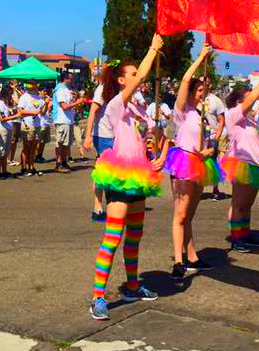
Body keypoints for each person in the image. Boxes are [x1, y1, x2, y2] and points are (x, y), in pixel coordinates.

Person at [89, 34, 165, 321]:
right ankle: (98, 297)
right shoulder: (116, 105)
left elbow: (154, 139)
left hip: (140, 176)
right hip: (120, 177)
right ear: (122, 81)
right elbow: (143, 73)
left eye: (137, 74)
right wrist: (152, 49)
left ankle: (132, 286)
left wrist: (157, 155)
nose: (138, 78)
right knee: (113, 237)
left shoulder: (139, 110)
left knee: (135, 236)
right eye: (132, 75)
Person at [163, 45, 220, 279]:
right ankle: (178, 261)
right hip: (183, 162)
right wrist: (200, 58)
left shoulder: (201, 115)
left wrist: (209, 150)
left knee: (190, 215)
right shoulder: (181, 110)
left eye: (203, 90)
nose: (201, 92)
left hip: (199, 163)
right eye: (198, 89)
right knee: (181, 214)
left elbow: (207, 144)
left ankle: (192, 256)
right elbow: (186, 79)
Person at [222, 72, 259, 252]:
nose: (251, 103)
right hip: (241, 164)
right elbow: (251, 100)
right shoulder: (233, 115)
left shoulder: (250, 121)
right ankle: (237, 238)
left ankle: (245, 233)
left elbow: (256, 142)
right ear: (238, 102)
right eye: (246, 100)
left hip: (255, 165)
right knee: (239, 203)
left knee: (247, 204)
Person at [83, 66, 123, 222]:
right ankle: (98, 207)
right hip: (103, 136)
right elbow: (93, 112)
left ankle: (114, 205)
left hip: (117, 136)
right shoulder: (102, 89)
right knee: (103, 172)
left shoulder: (121, 90)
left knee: (116, 173)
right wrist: (88, 137)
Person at [53, 73, 87, 173]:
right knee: (61, 143)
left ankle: (64, 162)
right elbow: (64, 106)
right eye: (71, 78)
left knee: (66, 143)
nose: (72, 80)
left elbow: (70, 104)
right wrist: (78, 102)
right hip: (61, 119)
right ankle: (58, 164)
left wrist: (76, 100)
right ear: (65, 79)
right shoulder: (60, 89)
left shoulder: (67, 89)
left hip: (68, 119)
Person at [202, 86, 227, 201]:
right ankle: (199, 188)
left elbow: (222, 120)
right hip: (200, 136)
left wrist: (216, 138)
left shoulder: (216, 100)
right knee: (200, 161)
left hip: (214, 135)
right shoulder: (194, 99)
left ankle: (215, 188)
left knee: (214, 161)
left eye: (204, 82)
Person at [17, 83, 44, 176]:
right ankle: (24, 168)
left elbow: (43, 111)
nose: (32, 87)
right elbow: (21, 111)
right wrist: (32, 112)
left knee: (33, 147)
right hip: (27, 124)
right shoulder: (24, 97)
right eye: (29, 85)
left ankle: (31, 167)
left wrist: (47, 103)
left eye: (33, 85)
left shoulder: (39, 98)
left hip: (37, 124)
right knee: (26, 147)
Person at [0, 86, 19, 179]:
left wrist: (14, 111)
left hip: (9, 128)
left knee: (6, 151)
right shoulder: (0, 103)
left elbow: (10, 115)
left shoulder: (7, 103)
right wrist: (15, 116)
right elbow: (2, 119)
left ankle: (4, 170)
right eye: (10, 93)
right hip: (2, 129)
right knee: (1, 150)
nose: (11, 95)